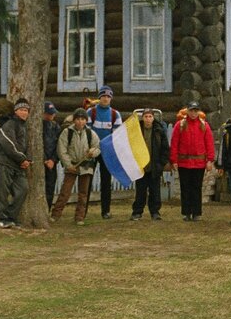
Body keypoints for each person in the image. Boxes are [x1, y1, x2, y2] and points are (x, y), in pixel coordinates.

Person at [51, 108, 100, 225]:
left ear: (86, 121)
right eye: (78, 119)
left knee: (83, 193)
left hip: (86, 166)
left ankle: (80, 217)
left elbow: (97, 147)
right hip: (72, 165)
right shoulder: (67, 132)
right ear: (74, 120)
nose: (80, 122)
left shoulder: (90, 133)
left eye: (83, 119)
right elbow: (61, 150)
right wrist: (68, 165)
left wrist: (92, 152)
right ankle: (55, 214)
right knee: (65, 192)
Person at [168, 101, 215, 221]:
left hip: (199, 163)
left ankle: (196, 212)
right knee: (185, 188)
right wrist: (173, 160)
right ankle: (186, 212)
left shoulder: (204, 125)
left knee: (196, 188)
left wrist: (210, 160)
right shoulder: (180, 125)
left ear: (198, 112)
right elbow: (174, 143)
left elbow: (209, 144)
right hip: (184, 162)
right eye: (191, 110)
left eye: (196, 110)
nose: (193, 113)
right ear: (187, 111)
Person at [0, 98, 31, 228]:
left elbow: (25, 146)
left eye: (26, 110)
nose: (24, 112)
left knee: (23, 189)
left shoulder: (23, 126)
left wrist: (27, 160)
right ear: (15, 111)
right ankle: (2, 218)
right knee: (3, 192)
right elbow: (8, 144)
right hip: (4, 162)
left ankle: (11, 217)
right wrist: (22, 159)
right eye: (21, 110)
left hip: (17, 165)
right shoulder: (9, 123)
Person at [87, 85, 122, 219]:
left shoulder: (115, 114)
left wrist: (106, 147)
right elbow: (88, 132)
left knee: (106, 182)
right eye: (103, 96)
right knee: (87, 180)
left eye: (108, 96)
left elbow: (116, 135)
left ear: (111, 98)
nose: (106, 99)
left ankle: (105, 211)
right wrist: (93, 147)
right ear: (99, 97)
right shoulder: (91, 112)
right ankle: (82, 211)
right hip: (92, 150)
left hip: (106, 152)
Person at [130, 108, 170, 221]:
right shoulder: (136, 130)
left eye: (150, 116)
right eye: (146, 116)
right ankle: (137, 212)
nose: (148, 119)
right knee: (140, 191)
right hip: (141, 166)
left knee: (155, 191)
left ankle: (155, 212)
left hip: (154, 165)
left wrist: (161, 163)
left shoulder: (159, 130)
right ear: (142, 118)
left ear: (153, 118)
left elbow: (165, 148)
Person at [42, 101, 61, 210]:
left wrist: (53, 160)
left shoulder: (56, 127)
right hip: (41, 162)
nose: (52, 115)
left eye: (53, 113)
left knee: (50, 188)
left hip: (52, 163)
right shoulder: (38, 126)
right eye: (49, 113)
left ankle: (47, 210)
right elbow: (37, 145)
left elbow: (59, 145)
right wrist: (44, 159)